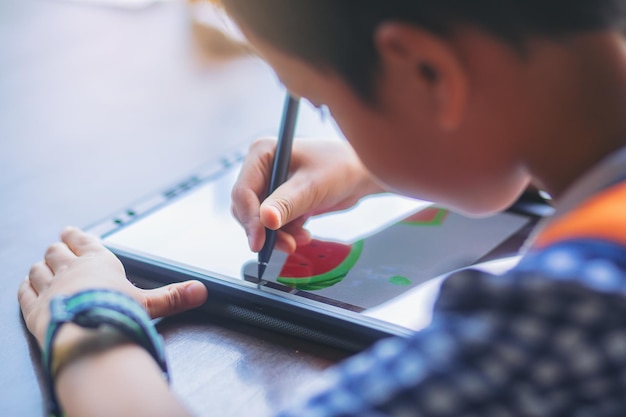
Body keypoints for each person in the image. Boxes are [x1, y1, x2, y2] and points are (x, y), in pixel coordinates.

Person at [18, 0, 626, 415]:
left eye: (322, 102)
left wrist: (91, 326)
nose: (335, 127)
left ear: (427, 73)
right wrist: (381, 163)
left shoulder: (563, 316)